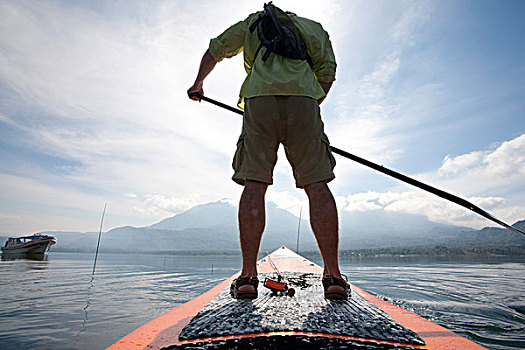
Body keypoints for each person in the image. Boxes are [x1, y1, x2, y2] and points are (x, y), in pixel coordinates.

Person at [187, 3, 349, 300]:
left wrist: (199, 83)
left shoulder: (252, 23)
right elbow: (328, 69)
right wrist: (312, 103)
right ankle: (334, 277)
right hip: (304, 101)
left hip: (259, 101)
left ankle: (248, 276)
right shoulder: (313, 28)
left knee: (254, 183)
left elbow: (216, 48)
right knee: (317, 184)